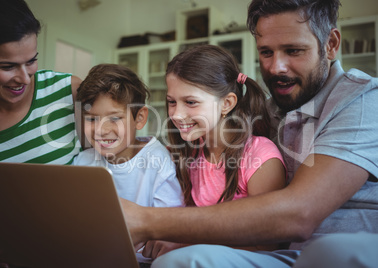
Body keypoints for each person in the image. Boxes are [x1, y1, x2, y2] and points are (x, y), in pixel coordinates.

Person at [121, 0, 378, 267]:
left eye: (293, 50)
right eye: (266, 52)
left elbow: (299, 213)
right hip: (286, 256)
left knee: (331, 252)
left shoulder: (363, 100)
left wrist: (148, 222)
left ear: (331, 44)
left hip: (339, 252)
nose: (276, 67)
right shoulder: (269, 110)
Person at [141, 45, 287, 258]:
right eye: (172, 102)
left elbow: (268, 247)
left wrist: (184, 248)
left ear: (226, 103)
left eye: (191, 102)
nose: (177, 114)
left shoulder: (260, 156)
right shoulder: (189, 154)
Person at [0, 0, 82, 267]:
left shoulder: (69, 91)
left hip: (77, 248)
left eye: (31, 61)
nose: (24, 77)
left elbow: (108, 165)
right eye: (7, 66)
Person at [73, 63, 183, 208]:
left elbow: (169, 221)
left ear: (140, 118)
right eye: (92, 119)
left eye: (114, 118)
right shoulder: (82, 162)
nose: (102, 130)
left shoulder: (158, 161)